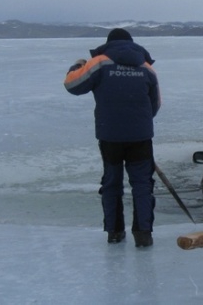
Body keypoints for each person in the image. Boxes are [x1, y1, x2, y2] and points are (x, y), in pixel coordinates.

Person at [64, 28, 161, 247]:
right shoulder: (146, 68)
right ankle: (143, 233)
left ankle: (115, 232)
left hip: (110, 136)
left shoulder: (99, 63)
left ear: (109, 43)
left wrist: (78, 66)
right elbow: (155, 104)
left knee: (112, 183)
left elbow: (72, 84)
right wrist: (140, 122)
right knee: (142, 185)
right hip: (140, 136)